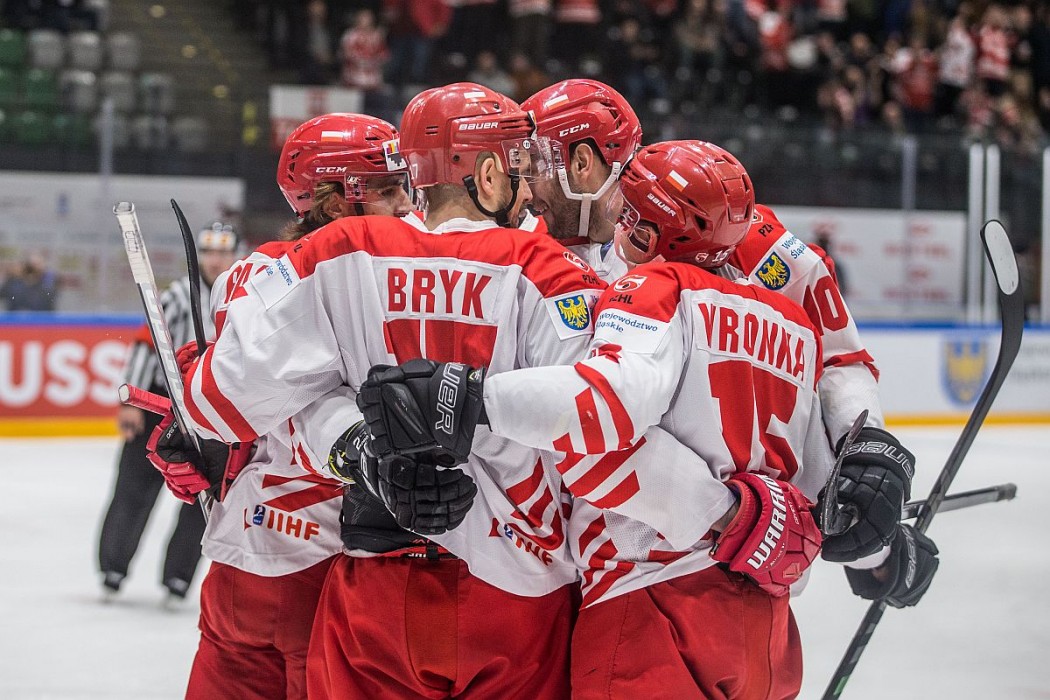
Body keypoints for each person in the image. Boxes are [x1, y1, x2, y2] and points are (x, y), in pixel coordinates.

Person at [358, 141, 940, 697]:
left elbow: (601, 427)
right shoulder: (793, 326)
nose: (530, 181)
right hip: (764, 629)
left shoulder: (652, 286)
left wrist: (468, 401)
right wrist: (874, 545)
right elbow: (812, 498)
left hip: (645, 605)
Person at [176, 83, 603, 699]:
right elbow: (597, 423)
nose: (529, 188)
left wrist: (203, 389)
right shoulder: (549, 268)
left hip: (373, 580)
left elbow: (217, 401)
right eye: (517, 167)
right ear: (487, 175)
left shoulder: (335, 254)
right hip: (518, 587)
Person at [141, 113, 414, 700]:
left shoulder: (252, 274)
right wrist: (203, 437)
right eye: (387, 190)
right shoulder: (364, 276)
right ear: (333, 201)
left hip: (249, 550)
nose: (406, 204)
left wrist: (201, 428)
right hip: (325, 564)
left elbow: (231, 404)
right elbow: (243, 406)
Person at [97, 222, 240, 603]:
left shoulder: (243, 299)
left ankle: (179, 577)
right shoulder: (178, 295)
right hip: (161, 405)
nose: (215, 259)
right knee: (133, 488)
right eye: (208, 251)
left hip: (214, 413)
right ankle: (113, 567)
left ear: (235, 255)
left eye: (222, 252)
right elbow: (147, 344)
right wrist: (132, 402)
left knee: (202, 496)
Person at [520, 78, 640, 280]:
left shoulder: (667, 258)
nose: (527, 194)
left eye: (534, 171)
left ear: (582, 164)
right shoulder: (526, 245)